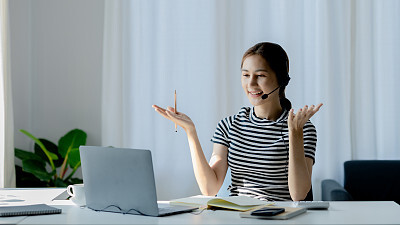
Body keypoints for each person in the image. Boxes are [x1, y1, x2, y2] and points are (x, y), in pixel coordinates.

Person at [152, 42, 322, 201]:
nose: (251, 84)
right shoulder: (229, 126)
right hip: (238, 216)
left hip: (278, 217)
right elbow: (210, 189)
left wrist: (295, 134)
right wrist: (191, 132)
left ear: (282, 80)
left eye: (260, 75)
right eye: (246, 75)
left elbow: (298, 194)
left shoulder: (302, 128)